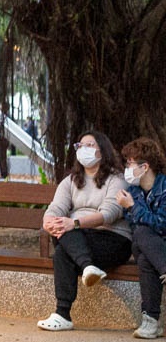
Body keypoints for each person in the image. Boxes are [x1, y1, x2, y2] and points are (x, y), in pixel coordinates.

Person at [37, 131, 131, 331]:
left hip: (113, 239)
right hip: (80, 241)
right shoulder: (71, 181)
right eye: (80, 145)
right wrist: (48, 223)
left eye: (89, 145)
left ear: (102, 151)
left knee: (63, 247)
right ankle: (87, 268)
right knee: (62, 242)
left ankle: (63, 313)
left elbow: (109, 214)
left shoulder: (117, 180)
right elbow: (55, 209)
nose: (83, 149)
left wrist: (74, 223)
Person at [114, 138, 166, 339]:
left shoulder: (164, 188)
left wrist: (133, 207)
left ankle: (151, 320)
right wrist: (132, 207)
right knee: (142, 233)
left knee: (145, 258)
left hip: (155, 247)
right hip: (146, 243)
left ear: (144, 167)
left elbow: (162, 223)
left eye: (130, 163)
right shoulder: (132, 192)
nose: (127, 167)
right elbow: (137, 225)